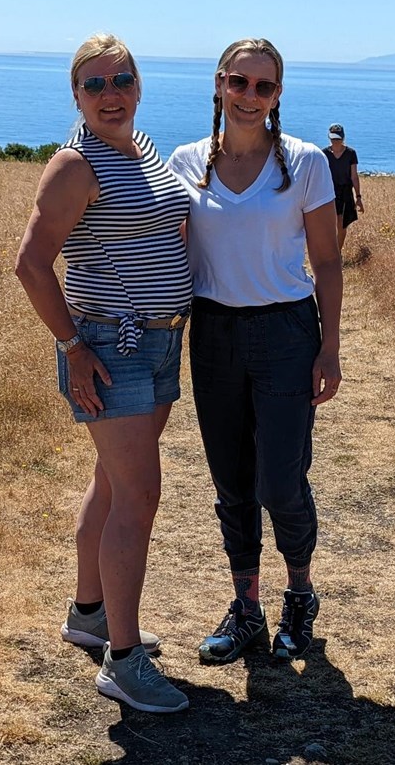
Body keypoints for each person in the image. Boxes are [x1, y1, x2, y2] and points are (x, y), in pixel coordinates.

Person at [14, 34, 192, 714]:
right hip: (111, 349)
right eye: (94, 84)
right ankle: (123, 661)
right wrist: (71, 346)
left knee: (112, 485)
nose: (110, 93)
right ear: (75, 95)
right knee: (138, 499)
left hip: (158, 343)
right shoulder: (75, 164)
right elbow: (30, 265)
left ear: (139, 85)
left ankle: (89, 614)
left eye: (122, 79)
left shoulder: (141, 150)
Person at [165, 38, 343, 664]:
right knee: (231, 481)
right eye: (238, 82)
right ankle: (247, 605)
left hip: (286, 334)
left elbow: (325, 260)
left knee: (280, 480)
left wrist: (330, 349)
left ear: (278, 96)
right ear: (218, 84)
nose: (249, 96)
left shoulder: (306, 162)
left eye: (263, 87)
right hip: (213, 333)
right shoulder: (186, 161)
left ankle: (300, 594)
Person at [324, 123, 364, 251]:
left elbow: (354, 176)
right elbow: (320, 176)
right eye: (333, 138)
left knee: (342, 224)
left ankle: (337, 253)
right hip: (329, 192)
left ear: (343, 138)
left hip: (345, 192)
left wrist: (358, 197)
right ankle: (330, 252)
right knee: (330, 224)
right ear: (329, 138)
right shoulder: (323, 154)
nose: (336, 141)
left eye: (338, 138)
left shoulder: (351, 153)